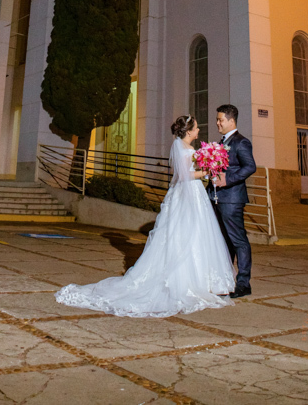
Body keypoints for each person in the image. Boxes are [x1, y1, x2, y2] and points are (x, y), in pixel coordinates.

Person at [55, 115, 235, 317]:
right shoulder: (187, 149)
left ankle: (195, 280)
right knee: (189, 234)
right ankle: (189, 282)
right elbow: (186, 175)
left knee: (185, 234)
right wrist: (208, 170)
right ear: (189, 131)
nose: (199, 130)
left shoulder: (179, 147)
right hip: (189, 194)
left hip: (185, 194)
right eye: (196, 127)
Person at [211, 104, 256, 298]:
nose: (217, 122)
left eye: (221, 119)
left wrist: (227, 179)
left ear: (231, 121)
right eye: (217, 119)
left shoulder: (241, 142)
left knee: (238, 240)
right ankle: (226, 280)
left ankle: (244, 283)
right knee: (224, 240)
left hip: (232, 199)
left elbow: (250, 167)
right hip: (218, 198)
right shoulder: (222, 142)